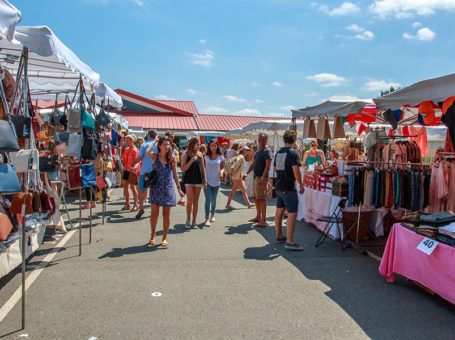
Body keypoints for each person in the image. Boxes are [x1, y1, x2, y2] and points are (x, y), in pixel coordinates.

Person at [145, 137, 184, 247]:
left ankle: (164, 236)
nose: (167, 146)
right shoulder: (155, 156)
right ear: (160, 146)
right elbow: (147, 151)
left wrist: (179, 188)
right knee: (154, 214)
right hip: (156, 187)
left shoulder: (172, 158)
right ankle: (152, 235)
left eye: (168, 145)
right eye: (164, 144)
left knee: (166, 215)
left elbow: (175, 175)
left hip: (168, 188)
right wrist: (154, 141)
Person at [274, 130, 305, 251]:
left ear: (284, 140)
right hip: (288, 187)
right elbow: (296, 171)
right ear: (294, 140)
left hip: (279, 185)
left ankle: (279, 235)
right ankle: (290, 241)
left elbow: (275, 169)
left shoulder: (278, 152)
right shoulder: (293, 153)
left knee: (279, 211)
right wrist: (301, 184)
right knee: (292, 212)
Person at [246, 132, 273, 227]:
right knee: (255, 197)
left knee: (261, 198)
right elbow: (253, 163)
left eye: (263, 139)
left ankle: (263, 221)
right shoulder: (257, 150)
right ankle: (258, 217)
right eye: (260, 138)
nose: (261, 140)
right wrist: (247, 172)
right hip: (256, 177)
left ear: (266, 140)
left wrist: (262, 177)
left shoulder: (267, 151)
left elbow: (268, 166)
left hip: (262, 178)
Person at [181, 137, 207, 230]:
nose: (198, 146)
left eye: (199, 145)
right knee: (190, 200)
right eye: (197, 145)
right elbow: (183, 168)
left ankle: (194, 221)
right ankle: (188, 219)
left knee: (196, 201)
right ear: (192, 145)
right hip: (188, 181)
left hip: (198, 180)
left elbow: (203, 168)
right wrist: (191, 161)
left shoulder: (200, 155)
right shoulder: (186, 154)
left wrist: (205, 180)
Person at [131, 129, 158, 219]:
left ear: (149, 135)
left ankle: (141, 208)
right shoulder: (158, 145)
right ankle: (152, 209)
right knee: (153, 191)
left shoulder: (144, 145)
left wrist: (133, 163)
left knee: (141, 190)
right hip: (155, 170)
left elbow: (139, 158)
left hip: (145, 171)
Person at [203, 139, 224, 227]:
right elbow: (203, 168)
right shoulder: (205, 156)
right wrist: (203, 180)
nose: (213, 147)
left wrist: (222, 172)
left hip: (216, 181)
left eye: (215, 145)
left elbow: (222, 168)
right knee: (208, 199)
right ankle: (207, 218)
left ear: (217, 146)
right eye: (212, 145)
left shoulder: (220, 157)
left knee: (214, 200)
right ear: (209, 146)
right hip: (207, 181)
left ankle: (213, 215)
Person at [121, 135, 139, 211]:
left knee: (133, 188)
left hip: (132, 171)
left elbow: (138, 161)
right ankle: (127, 204)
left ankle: (136, 204)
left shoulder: (135, 150)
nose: (126, 142)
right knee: (125, 187)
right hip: (126, 170)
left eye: (128, 141)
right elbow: (123, 160)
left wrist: (135, 167)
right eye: (126, 140)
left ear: (132, 141)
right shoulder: (126, 149)